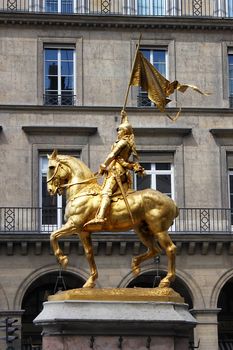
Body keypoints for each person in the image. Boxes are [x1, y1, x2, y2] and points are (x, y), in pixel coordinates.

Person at [84, 110, 144, 229]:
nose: (118, 132)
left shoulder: (122, 143)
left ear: (125, 132)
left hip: (117, 171)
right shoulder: (126, 141)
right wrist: (124, 117)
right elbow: (126, 126)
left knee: (106, 192)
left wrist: (104, 165)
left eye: (120, 130)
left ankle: (100, 216)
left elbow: (112, 155)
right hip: (118, 169)